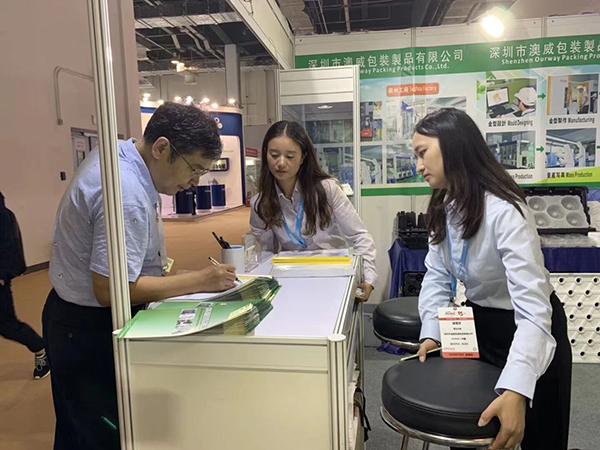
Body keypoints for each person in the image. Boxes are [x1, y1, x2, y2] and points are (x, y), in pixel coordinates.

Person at [43, 102, 237, 450]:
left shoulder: (121, 154)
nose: (194, 182)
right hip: (88, 326)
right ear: (162, 148)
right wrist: (201, 280)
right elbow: (109, 290)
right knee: (102, 432)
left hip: (70, 317)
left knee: (78, 428)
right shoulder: (125, 193)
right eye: (194, 169)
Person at [414, 108, 571, 450]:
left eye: (423, 153)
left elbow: (533, 309)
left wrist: (516, 387)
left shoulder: (505, 211)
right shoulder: (443, 206)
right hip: (479, 326)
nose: (419, 166)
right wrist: (432, 332)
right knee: (473, 432)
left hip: (529, 329)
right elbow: (437, 275)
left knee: (538, 435)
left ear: (452, 145)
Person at [250, 121, 377, 301]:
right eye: (274, 155)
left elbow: (359, 236)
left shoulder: (327, 190)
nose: (281, 163)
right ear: (265, 154)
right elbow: (267, 253)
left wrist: (368, 279)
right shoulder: (261, 203)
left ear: (303, 157)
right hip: (291, 278)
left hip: (333, 273)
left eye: (290, 156)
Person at [0, 191, 50, 379]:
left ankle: (41, 349)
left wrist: (2, 275)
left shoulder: (3, 215)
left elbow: (8, 247)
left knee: (7, 326)